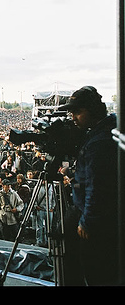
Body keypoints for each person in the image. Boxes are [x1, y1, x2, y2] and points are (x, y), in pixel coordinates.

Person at [58, 86, 119, 286]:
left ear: (92, 111)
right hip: (95, 214)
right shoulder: (103, 130)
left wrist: (87, 221)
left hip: (94, 221)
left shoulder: (99, 143)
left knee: (96, 272)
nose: (73, 118)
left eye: (77, 112)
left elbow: (98, 187)